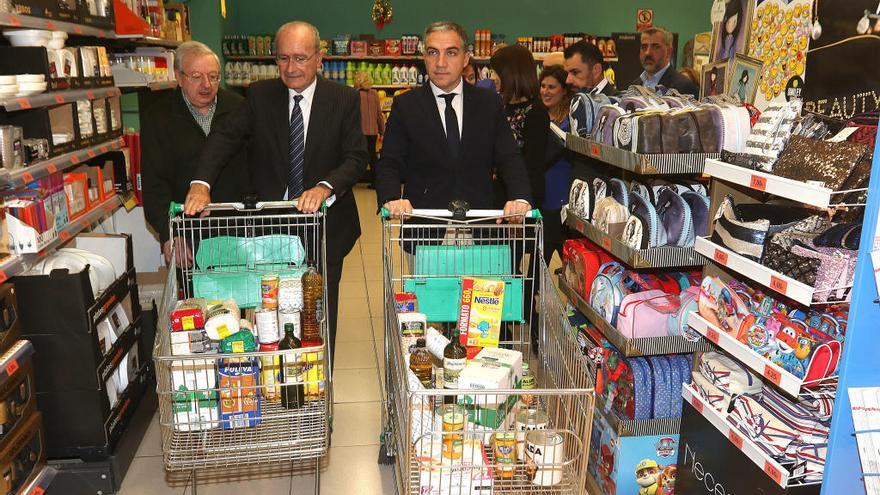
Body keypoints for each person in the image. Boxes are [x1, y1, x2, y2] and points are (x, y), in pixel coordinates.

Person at [184, 21, 367, 365]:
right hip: (273, 226)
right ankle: (277, 375)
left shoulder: (343, 99)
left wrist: (326, 185)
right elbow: (225, 136)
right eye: (283, 58)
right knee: (274, 308)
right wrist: (201, 183)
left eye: (300, 57)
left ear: (319, 59)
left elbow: (356, 156)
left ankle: (320, 383)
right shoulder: (260, 95)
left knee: (321, 310)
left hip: (326, 224)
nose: (291, 67)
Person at [375, 21, 532, 219]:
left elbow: (509, 157)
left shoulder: (489, 103)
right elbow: (390, 160)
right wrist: (391, 197)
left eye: (451, 53)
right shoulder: (405, 105)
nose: (440, 63)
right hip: (425, 224)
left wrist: (520, 198)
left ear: (466, 58)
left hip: (480, 221)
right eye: (432, 52)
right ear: (424, 57)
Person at [141, 41, 248, 267]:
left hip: (238, 232)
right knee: (195, 300)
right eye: (196, 76)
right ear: (179, 77)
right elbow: (154, 185)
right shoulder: (158, 118)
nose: (207, 85)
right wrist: (170, 233)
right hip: (189, 236)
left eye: (213, 76)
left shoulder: (239, 108)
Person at [489, 44, 549, 210]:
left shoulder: (536, 112)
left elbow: (532, 167)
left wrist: (522, 203)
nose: (493, 77)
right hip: (494, 201)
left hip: (517, 206)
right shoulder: (499, 106)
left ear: (511, 73)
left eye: (497, 72)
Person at [538, 65, 573, 265]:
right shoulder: (538, 115)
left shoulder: (569, 121)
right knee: (537, 260)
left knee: (565, 260)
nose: (545, 91)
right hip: (541, 199)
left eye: (552, 87)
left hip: (560, 199)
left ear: (564, 90)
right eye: (543, 86)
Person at [632, 27, 699, 96]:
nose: (648, 53)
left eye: (656, 47)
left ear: (668, 52)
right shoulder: (634, 85)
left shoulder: (684, 87)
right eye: (644, 47)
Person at [354, 70, 384, 186]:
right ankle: (376, 181)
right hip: (373, 131)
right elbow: (379, 114)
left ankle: (355, 180)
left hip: (360, 131)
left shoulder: (355, 94)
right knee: (372, 157)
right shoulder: (374, 94)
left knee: (358, 156)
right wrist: (382, 130)